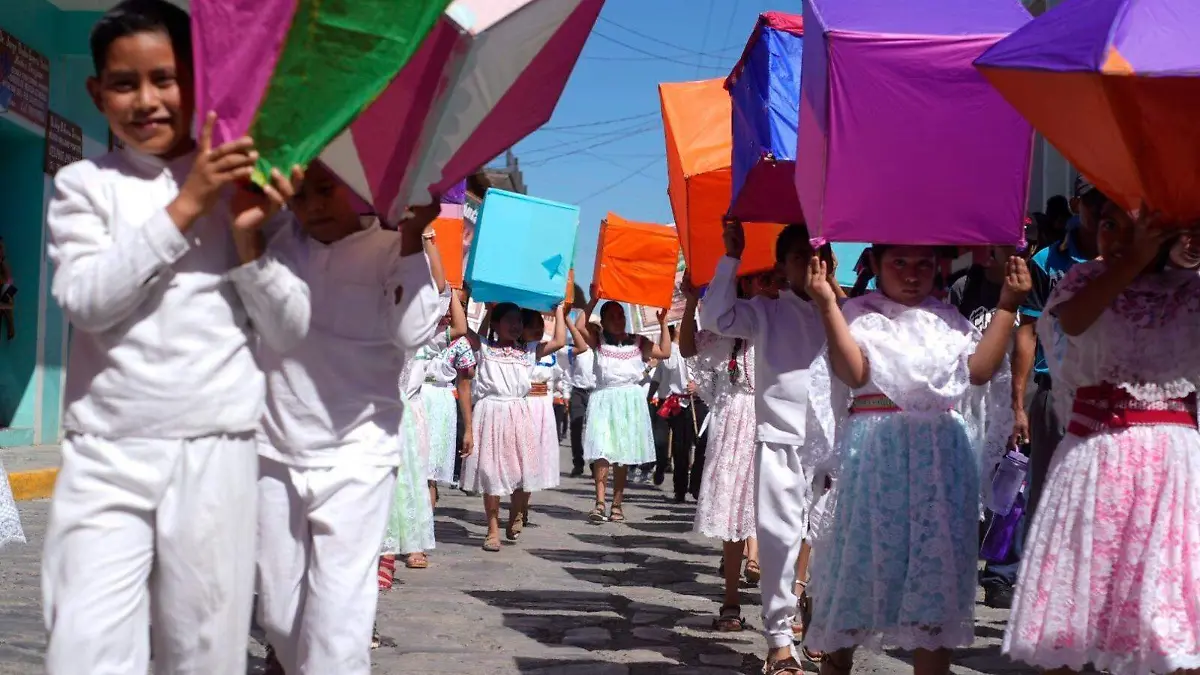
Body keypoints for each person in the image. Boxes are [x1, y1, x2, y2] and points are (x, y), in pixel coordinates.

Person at [42, 1, 309, 671]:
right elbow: (85, 299)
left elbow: (289, 329)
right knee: (84, 647)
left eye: (166, 78)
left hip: (214, 451)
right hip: (106, 453)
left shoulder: (249, 187)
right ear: (95, 92)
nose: (147, 100)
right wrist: (186, 204)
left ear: (201, 81)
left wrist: (248, 234)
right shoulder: (84, 185)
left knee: (200, 653)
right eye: (125, 83)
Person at [254, 159, 446, 674]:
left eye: (325, 190)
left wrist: (412, 236)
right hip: (273, 451)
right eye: (301, 195)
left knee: (340, 612)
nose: (312, 205)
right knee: (277, 610)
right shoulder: (271, 236)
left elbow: (414, 332)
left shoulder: (391, 247)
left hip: (358, 454)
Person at [804, 245, 1027, 675]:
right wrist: (829, 305)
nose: (912, 273)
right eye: (899, 263)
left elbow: (978, 371)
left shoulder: (949, 322)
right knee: (859, 577)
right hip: (876, 458)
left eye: (923, 263)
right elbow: (854, 373)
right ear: (876, 265)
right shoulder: (860, 315)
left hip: (941, 463)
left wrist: (1007, 305)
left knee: (936, 590)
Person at [1005, 204, 1200, 675]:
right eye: (1107, 224)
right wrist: (1133, 260)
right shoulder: (1084, 280)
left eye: (1128, 227)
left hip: (1172, 461)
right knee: (1078, 612)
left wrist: (1184, 252)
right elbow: (1072, 322)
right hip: (1099, 452)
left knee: (1169, 616)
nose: (1112, 236)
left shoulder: (1192, 290)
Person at [698, 219, 831, 674]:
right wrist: (732, 255)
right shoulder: (767, 311)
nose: (813, 267)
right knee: (777, 542)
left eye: (820, 259)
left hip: (835, 450)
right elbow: (715, 318)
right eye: (800, 259)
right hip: (779, 442)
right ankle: (778, 642)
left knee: (828, 543)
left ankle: (822, 624)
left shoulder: (844, 313)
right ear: (782, 267)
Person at [680, 270, 772, 633]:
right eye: (754, 280)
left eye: (767, 278)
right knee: (734, 510)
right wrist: (690, 304)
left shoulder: (782, 319)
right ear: (742, 284)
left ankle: (784, 603)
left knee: (776, 511)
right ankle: (731, 599)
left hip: (775, 417)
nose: (763, 285)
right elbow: (688, 348)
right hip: (736, 421)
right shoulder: (726, 326)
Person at [947, 245, 1028, 610]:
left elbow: (1031, 340)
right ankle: (958, 566)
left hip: (1011, 398)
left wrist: (1019, 403)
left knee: (1011, 487)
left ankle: (1000, 572)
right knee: (966, 487)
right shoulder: (965, 287)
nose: (998, 256)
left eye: (1009, 249)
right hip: (970, 403)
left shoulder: (1026, 286)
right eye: (993, 250)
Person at [1017, 177, 1100, 523]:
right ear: (1075, 204)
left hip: (1106, 396)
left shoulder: (1132, 264)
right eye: (1094, 200)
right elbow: (1027, 332)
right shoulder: (1045, 262)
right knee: (1047, 493)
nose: (1103, 209)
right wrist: (1018, 402)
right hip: (1054, 393)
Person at [460, 303, 566, 551]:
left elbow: (560, 340)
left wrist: (560, 308)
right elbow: (464, 329)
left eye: (518, 320)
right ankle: (492, 529)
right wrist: (459, 294)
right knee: (490, 472)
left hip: (519, 412)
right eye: (508, 320)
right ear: (496, 324)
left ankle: (515, 514)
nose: (515, 325)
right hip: (490, 413)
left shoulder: (528, 350)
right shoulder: (485, 348)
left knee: (521, 472)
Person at [578, 297, 671, 523]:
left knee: (622, 455)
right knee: (601, 451)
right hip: (604, 399)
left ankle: (617, 504)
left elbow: (665, 352)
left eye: (621, 315)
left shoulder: (638, 342)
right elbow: (580, 325)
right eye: (612, 317)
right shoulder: (598, 341)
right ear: (604, 320)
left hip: (630, 401)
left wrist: (663, 323)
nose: (618, 320)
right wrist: (593, 300)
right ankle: (599, 503)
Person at [654, 325, 709, 501]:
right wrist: (666, 328)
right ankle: (680, 488)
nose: (680, 326)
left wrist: (699, 387)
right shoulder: (674, 349)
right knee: (680, 447)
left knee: (702, 444)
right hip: (680, 402)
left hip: (700, 401)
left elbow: (714, 374)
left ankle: (696, 484)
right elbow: (668, 364)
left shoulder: (705, 347)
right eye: (678, 324)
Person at [566, 318, 596, 478]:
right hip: (577, 391)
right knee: (576, 427)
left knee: (593, 430)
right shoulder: (576, 349)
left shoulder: (599, 350)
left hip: (594, 392)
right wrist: (565, 392)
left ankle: (594, 463)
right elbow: (568, 371)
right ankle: (578, 463)